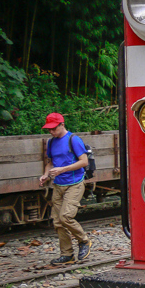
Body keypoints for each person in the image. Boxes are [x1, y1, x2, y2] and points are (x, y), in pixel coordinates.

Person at [38, 112, 93, 265]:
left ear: (62, 125)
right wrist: (46, 175)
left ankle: (84, 240)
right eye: (49, 129)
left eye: (53, 128)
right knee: (57, 222)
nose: (51, 132)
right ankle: (67, 255)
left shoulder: (73, 140)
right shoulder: (51, 142)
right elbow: (51, 163)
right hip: (58, 185)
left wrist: (62, 169)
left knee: (66, 217)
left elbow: (84, 162)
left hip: (75, 183)